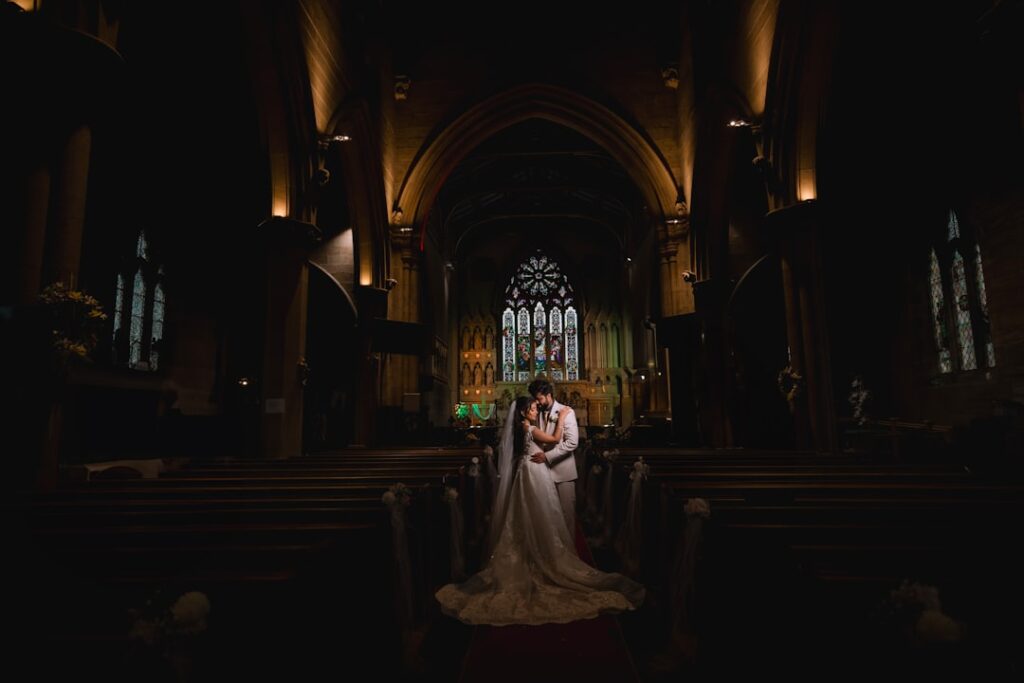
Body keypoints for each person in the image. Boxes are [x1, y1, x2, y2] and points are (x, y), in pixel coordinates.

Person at [435, 396, 644, 626]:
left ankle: (531, 548)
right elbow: (554, 438)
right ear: (525, 411)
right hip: (534, 472)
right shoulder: (530, 427)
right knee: (539, 511)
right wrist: (562, 418)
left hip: (529, 471)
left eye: (536, 407)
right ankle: (540, 553)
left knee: (527, 513)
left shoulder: (521, 427)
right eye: (533, 408)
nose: (536, 410)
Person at [528, 378, 578, 535]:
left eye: (540, 398)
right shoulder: (536, 413)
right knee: (547, 517)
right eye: (535, 399)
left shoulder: (566, 411)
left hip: (563, 473)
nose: (538, 402)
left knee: (566, 515)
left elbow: (572, 443)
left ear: (549, 395)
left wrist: (547, 456)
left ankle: (569, 553)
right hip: (542, 474)